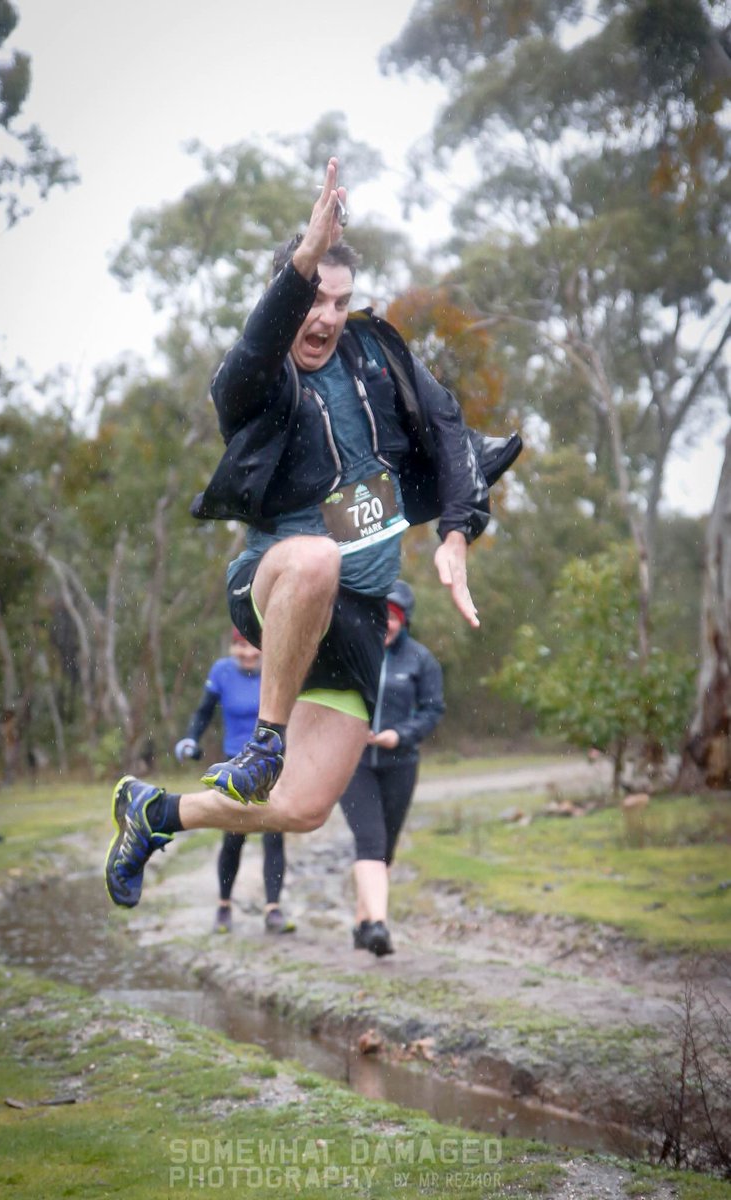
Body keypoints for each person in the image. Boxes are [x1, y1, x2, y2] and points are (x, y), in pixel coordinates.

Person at [105, 156, 521, 910]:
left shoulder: (375, 352)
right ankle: (263, 743)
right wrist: (299, 265)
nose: (326, 316)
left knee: (302, 808)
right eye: (312, 298)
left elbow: (449, 427)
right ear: (288, 294)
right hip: (277, 578)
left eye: (340, 300)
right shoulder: (259, 380)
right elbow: (246, 360)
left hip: (356, 620)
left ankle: (152, 813)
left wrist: (457, 532)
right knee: (318, 557)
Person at [340, 580, 444, 957]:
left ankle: (362, 922)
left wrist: (400, 735)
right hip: (352, 763)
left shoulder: (420, 660)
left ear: (405, 620)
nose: (386, 623)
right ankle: (379, 928)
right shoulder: (351, 651)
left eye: (394, 617)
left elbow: (433, 710)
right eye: (381, 615)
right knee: (370, 840)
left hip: (401, 763)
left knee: (386, 848)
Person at [175, 630, 295, 935]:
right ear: (231, 646)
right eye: (240, 646)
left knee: (273, 834)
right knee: (233, 836)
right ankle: (224, 906)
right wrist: (191, 737)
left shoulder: (276, 670)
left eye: (253, 646)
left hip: (272, 764)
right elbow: (203, 712)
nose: (247, 653)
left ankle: (273, 909)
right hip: (235, 764)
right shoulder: (222, 672)